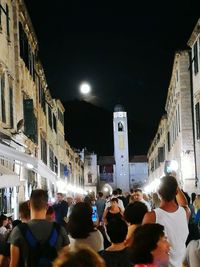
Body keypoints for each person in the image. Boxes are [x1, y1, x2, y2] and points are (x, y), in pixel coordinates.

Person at [9, 189, 70, 267]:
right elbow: (68, 262)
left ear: (28, 204)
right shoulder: (60, 230)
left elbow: (13, 264)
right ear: (47, 206)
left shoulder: (18, 231)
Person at [142, 175, 190, 267]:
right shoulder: (185, 212)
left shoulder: (151, 216)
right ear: (176, 192)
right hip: (181, 263)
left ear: (158, 192)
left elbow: (144, 246)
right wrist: (175, 183)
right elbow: (185, 203)